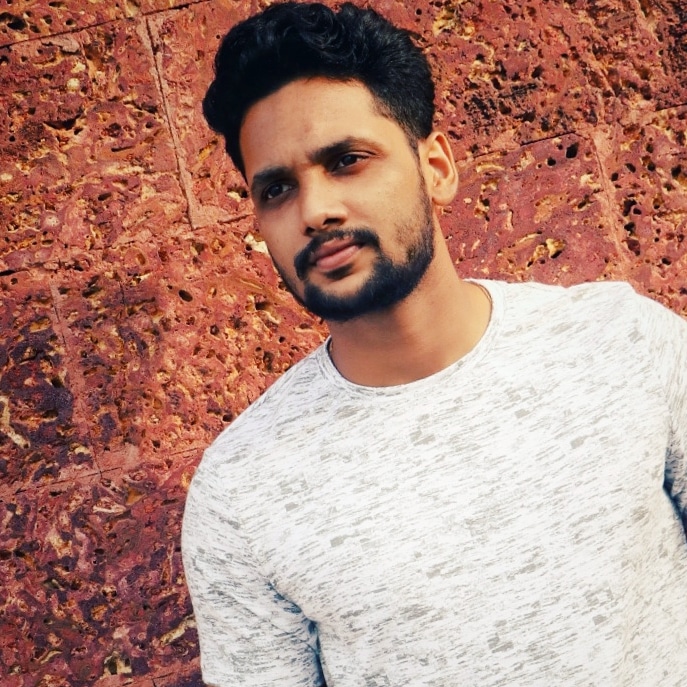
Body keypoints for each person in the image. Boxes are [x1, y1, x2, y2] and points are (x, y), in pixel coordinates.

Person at [181, 3, 687, 685]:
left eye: (347, 161)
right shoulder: (240, 490)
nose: (314, 210)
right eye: (277, 189)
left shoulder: (622, 342)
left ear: (437, 167)